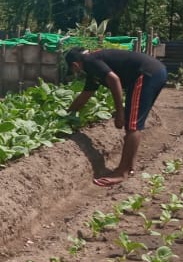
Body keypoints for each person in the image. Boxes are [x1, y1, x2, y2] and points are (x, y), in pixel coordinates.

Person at [63, 46, 168, 187]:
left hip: (147, 74)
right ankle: (128, 168)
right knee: (133, 123)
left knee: (132, 125)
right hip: (153, 72)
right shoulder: (93, 66)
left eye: (74, 70)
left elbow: (114, 80)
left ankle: (122, 172)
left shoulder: (90, 61)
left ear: (75, 64)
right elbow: (85, 95)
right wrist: (66, 115)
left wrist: (120, 112)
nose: (76, 73)